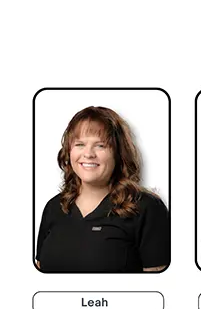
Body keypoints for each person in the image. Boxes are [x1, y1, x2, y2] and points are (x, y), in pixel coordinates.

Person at [35, 105, 170, 272]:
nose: (88, 154)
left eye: (100, 145)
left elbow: (157, 288)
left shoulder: (146, 208)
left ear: (118, 153)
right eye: (79, 144)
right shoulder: (54, 207)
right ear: (69, 152)